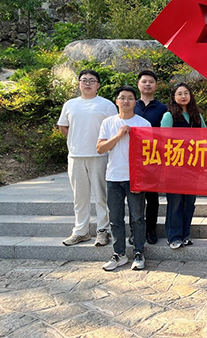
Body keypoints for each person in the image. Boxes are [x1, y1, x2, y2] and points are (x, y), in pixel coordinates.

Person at [57, 69, 117, 247]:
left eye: (92, 80)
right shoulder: (70, 104)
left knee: (101, 196)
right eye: (84, 80)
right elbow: (63, 126)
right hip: (76, 155)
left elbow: (114, 129)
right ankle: (81, 231)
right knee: (80, 197)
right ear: (79, 84)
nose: (87, 83)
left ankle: (103, 230)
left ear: (98, 85)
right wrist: (76, 140)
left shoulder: (106, 105)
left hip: (100, 155)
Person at [97, 86, 151, 271]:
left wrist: (142, 179)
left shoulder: (144, 124)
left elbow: (149, 154)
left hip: (135, 177)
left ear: (135, 102)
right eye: (122, 98)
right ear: (116, 101)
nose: (126, 101)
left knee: (138, 217)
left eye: (130, 98)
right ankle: (119, 253)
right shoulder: (108, 123)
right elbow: (100, 148)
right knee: (115, 218)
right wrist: (119, 135)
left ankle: (139, 252)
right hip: (113, 177)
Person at [161, 83, 206, 249]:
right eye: (179, 93)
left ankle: (185, 234)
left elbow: (205, 137)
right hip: (174, 166)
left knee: (189, 202)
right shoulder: (169, 116)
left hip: (193, 166)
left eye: (186, 93)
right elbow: (164, 141)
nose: (183, 96)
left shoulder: (197, 116)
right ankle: (173, 236)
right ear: (174, 97)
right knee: (175, 202)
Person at [133, 70, 167, 245]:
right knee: (134, 196)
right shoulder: (131, 105)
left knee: (152, 197)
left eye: (151, 81)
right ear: (138, 84)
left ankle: (151, 229)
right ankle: (135, 231)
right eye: (144, 81)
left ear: (156, 85)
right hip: (133, 157)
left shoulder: (163, 109)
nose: (147, 84)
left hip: (154, 157)